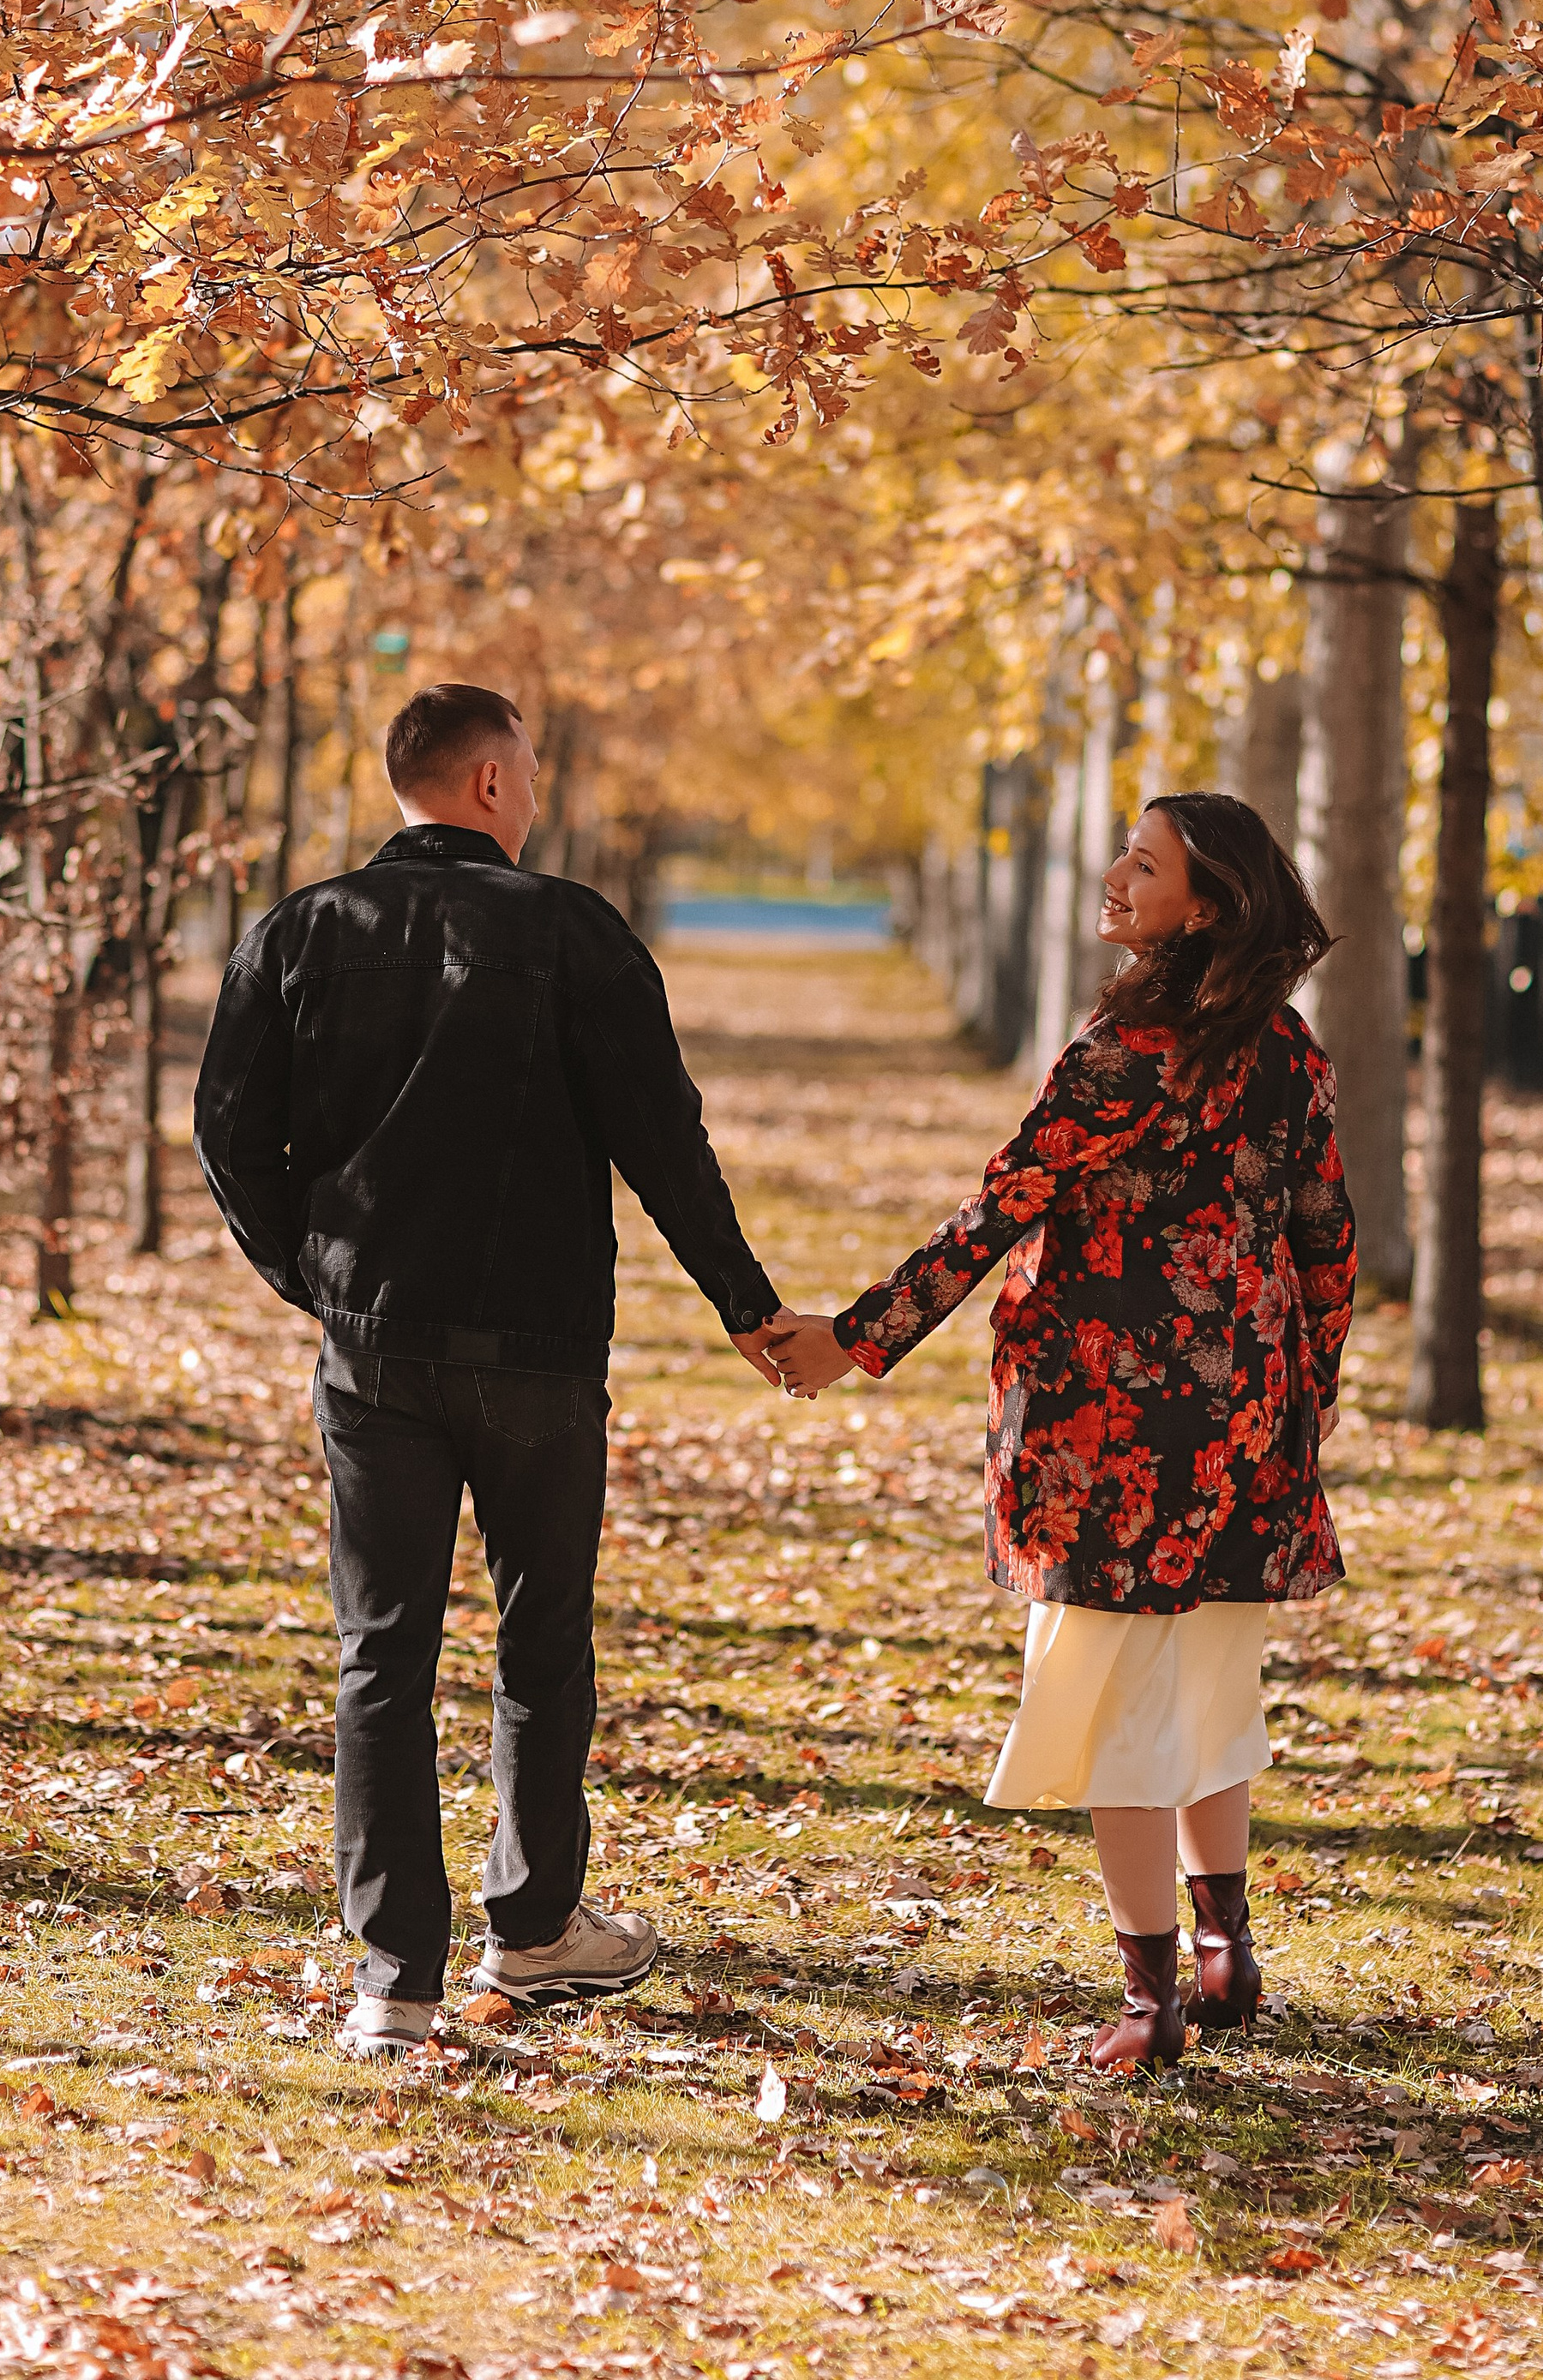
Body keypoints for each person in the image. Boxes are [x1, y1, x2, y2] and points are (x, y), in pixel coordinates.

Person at [194, 680, 791, 2052]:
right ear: (484, 786)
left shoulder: (303, 931)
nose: (535, 789)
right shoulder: (572, 932)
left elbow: (229, 1129)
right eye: (525, 769)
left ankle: (393, 1983)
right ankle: (531, 1934)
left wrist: (312, 1274)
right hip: (537, 1356)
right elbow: (662, 1134)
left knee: (381, 1654)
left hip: (373, 1352)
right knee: (539, 1644)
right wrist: (744, 1304)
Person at [767, 791, 1354, 2071]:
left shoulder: (1125, 1050)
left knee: (1105, 1702)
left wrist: (858, 1339)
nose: (1115, 874)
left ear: (1204, 905)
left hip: (1109, 1428)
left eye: (1144, 865)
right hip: (1241, 1420)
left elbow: (997, 1211)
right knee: (1206, 1679)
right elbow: (1328, 1246)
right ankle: (1224, 1953)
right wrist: (1300, 1400)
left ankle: (1152, 2004)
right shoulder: (1287, 1048)